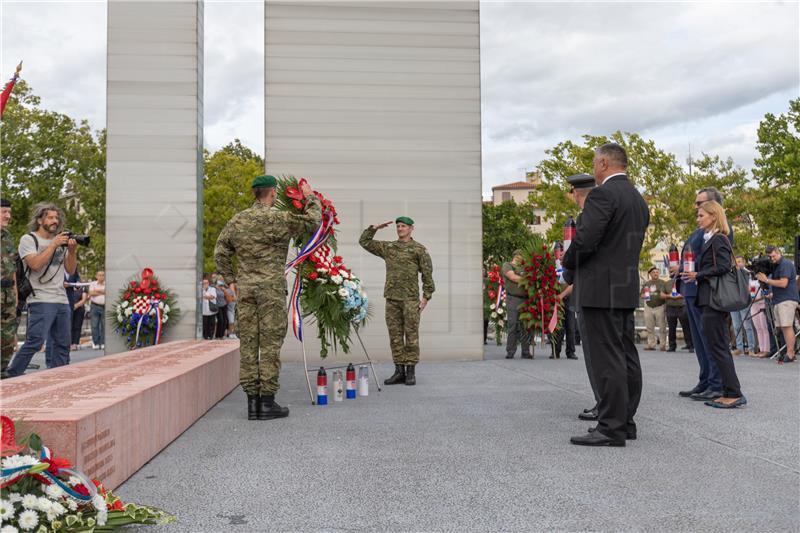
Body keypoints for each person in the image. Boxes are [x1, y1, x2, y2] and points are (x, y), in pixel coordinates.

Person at [562, 143, 649, 447]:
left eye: (594, 163)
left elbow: (586, 240)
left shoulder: (602, 194)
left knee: (606, 358)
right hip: (624, 287)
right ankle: (625, 421)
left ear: (602, 163)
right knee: (626, 355)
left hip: (599, 289)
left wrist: (566, 261)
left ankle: (610, 427)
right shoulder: (638, 199)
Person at [215, 175, 321, 420]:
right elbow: (313, 222)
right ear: (272, 193)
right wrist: (309, 197)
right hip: (271, 292)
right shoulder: (279, 218)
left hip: (247, 292)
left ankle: (252, 404)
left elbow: (221, 250)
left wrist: (231, 279)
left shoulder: (237, 220)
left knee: (249, 346)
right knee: (270, 346)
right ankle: (267, 403)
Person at [681, 201, 746, 408]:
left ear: (713, 216)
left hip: (715, 300)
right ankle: (728, 390)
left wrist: (698, 274)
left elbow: (724, 266)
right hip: (709, 298)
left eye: (701, 215)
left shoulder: (719, 239)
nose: (698, 219)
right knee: (716, 345)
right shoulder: (712, 239)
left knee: (718, 346)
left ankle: (734, 393)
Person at [360, 216, 435, 386]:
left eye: (403, 226)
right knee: (395, 336)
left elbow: (427, 275)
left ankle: (410, 372)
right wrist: (374, 228)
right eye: (398, 226)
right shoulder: (389, 247)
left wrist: (425, 297)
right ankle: (399, 371)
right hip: (392, 299)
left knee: (411, 336)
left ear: (411, 229)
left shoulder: (419, 250)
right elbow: (364, 242)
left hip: (410, 300)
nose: (400, 228)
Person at [7, 203, 78, 377]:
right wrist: (53, 245)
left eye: (57, 217)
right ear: (40, 220)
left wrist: (72, 251)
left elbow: (70, 270)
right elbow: (35, 265)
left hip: (61, 299)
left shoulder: (61, 240)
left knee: (63, 343)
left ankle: (57, 378)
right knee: (35, 341)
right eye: (50, 217)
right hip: (40, 299)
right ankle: (12, 375)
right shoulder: (29, 239)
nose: (55, 221)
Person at [676, 187, 731, 401]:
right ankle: (706, 379)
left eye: (700, 205)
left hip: (704, 290)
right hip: (691, 288)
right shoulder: (701, 229)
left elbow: (717, 261)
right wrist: (680, 269)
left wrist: (695, 272)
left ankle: (717, 383)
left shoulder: (720, 230)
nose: (695, 208)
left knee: (710, 339)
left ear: (713, 207)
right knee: (700, 341)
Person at [562, 173, 599, 421]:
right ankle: (608, 404)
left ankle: (604, 403)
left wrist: (567, 268)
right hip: (602, 288)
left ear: (575, 192)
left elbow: (582, 249)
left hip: (593, 290)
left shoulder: (590, 215)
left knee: (597, 355)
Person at [757, 246, 798, 363]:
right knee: (783, 327)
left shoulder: (785, 264)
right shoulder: (775, 266)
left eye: (773, 256)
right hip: (779, 299)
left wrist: (766, 280)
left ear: (778, 252)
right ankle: (789, 352)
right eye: (769, 257)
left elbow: (784, 283)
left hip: (787, 299)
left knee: (787, 326)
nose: (772, 258)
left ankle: (790, 353)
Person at [502, 249, 532, 359]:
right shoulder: (507, 265)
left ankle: (525, 351)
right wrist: (527, 280)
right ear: (516, 256)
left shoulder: (525, 268)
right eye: (521, 256)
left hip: (525, 299)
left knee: (526, 326)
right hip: (513, 298)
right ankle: (510, 351)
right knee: (513, 325)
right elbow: (512, 277)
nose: (522, 258)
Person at [1, 197, 18, 378]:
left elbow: (12, 269)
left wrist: (15, 296)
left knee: (7, 340)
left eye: (9, 212)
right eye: (4, 212)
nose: (8, 216)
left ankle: (2, 373)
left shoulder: (7, 237)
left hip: (7, 296)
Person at [661, 266, 694, 352]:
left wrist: (678, 296)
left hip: (682, 307)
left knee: (686, 327)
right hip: (670, 308)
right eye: (670, 272)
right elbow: (662, 295)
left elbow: (686, 292)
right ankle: (672, 346)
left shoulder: (683, 281)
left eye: (673, 272)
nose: (672, 274)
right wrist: (669, 296)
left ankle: (690, 346)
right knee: (671, 328)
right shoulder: (666, 283)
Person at [728, 257, 756, 355]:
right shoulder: (731, 272)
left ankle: (751, 348)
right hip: (734, 302)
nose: (737, 263)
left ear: (744, 263)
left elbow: (747, 286)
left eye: (739, 261)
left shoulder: (747, 273)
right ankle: (739, 348)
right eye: (735, 261)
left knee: (747, 326)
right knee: (736, 326)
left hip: (744, 302)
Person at [88, 271, 106, 349]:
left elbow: (107, 292)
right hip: (94, 306)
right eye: (99, 275)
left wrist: (97, 291)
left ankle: (102, 342)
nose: (101, 277)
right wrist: (102, 292)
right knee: (94, 325)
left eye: (103, 275)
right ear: (96, 276)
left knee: (103, 325)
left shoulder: (107, 284)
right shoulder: (93, 284)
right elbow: (91, 293)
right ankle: (95, 342)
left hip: (104, 306)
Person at [201, 275, 217, 340]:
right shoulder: (201, 290)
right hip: (204, 311)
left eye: (206, 283)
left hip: (211, 310)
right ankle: (205, 336)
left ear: (208, 283)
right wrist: (208, 296)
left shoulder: (212, 289)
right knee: (205, 325)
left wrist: (205, 296)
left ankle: (211, 336)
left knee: (212, 324)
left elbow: (213, 297)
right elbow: (200, 297)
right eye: (204, 283)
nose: (205, 284)